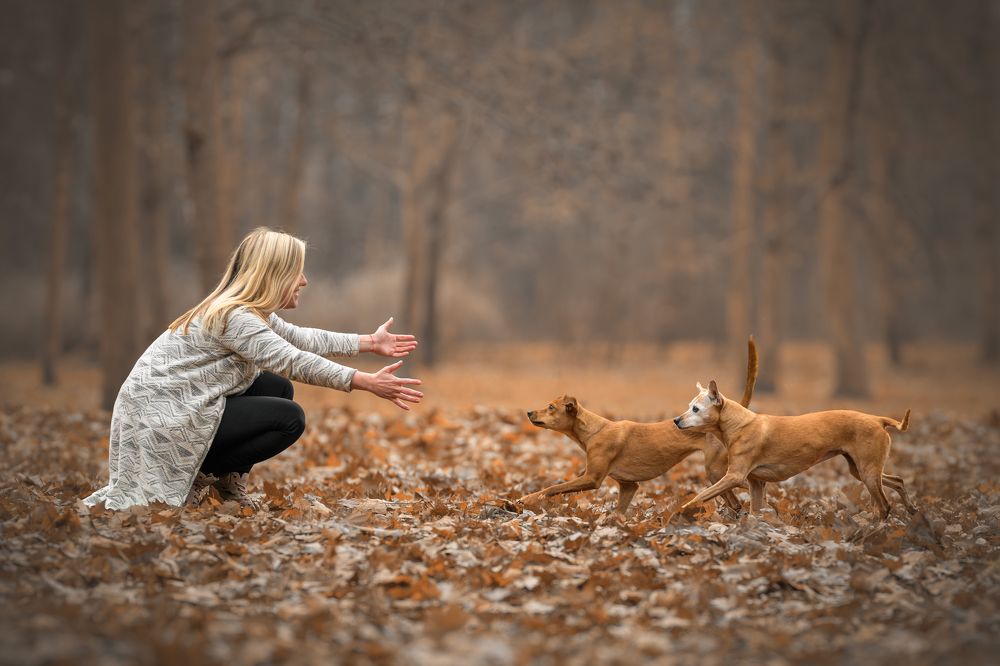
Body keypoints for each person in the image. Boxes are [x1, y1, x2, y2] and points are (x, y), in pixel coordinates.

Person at [83, 227, 423, 510]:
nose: (304, 280)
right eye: (297, 272)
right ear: (274, 275)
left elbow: (300, 340)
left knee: (276, 387)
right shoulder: (236, 317)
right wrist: (364, 381)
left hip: (175, 413)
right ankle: (204, 476)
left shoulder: (249, 312)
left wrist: (368, 342)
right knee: (289, 417)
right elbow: (291, 359)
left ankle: (224, 482)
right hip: (160, 423)